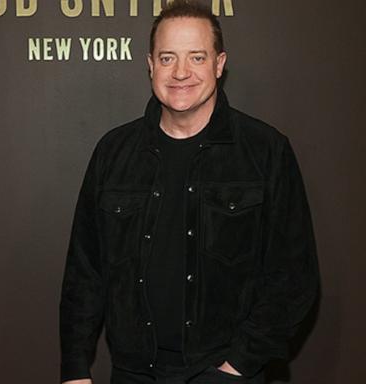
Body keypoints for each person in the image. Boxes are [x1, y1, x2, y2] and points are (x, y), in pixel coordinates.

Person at [59, 1, 319, 383]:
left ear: (219, 63)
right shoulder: (113, 153)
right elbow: (85, 274)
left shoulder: (265, 151)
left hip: (227, 372)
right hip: (133, 373)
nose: (181, 72)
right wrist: (75, 369)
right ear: (150, 64)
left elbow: (293, 276)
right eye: (168, 58)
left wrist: (237, 367)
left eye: (197, 57)